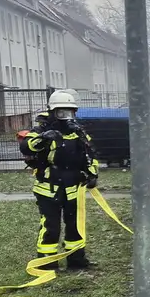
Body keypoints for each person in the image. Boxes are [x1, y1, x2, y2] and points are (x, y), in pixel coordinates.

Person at [19, 90, 99, 269]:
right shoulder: (41, 130)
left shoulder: (77, 132)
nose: (66, 116)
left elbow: (90, 154)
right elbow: (26, 147)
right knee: (50, 227)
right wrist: (43, 139)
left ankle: (77, 261)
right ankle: (46, 262)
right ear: (53, 111)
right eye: (62, 111)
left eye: (70, 112)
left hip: (74, 188)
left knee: (75, 226)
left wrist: (93, 173)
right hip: (49, 188)